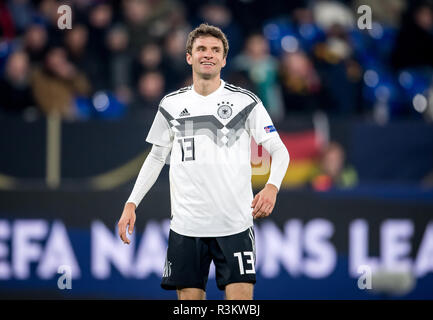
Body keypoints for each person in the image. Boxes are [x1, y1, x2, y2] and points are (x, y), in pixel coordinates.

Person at [117, 23, 290, 300]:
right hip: (187, 226)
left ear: (223, 59)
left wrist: (272, 187)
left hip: (235, 224)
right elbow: (157, 156)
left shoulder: (246, 102)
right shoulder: (171, 104)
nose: (207, 54)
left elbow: (280, 151)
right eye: (201, 49)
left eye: (215, 50)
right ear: (189, 57)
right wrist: (131, 203)